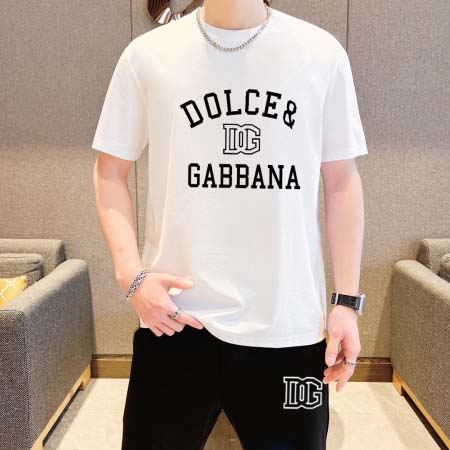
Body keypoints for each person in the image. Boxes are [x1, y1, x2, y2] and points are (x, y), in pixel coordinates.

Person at [91, 0, 368, 448]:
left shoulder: (321, 54)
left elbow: (341, 182)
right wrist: (131, 276)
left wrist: (347, 303)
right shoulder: (148, 56)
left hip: (287, 325)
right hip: (174, 319)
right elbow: (109, 171)